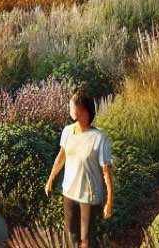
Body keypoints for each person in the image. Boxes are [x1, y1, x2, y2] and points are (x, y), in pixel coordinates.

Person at [46, 89, 114, 247]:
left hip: (88, 197)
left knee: (86, 240)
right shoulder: (67, 131)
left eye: (71, 106)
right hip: (69, 193)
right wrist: (51, 178)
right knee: (72, 236)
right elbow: (61, 157)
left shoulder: (100, 139)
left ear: (82, 110)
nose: (69, 109)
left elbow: (106, 172)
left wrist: (110, 200)